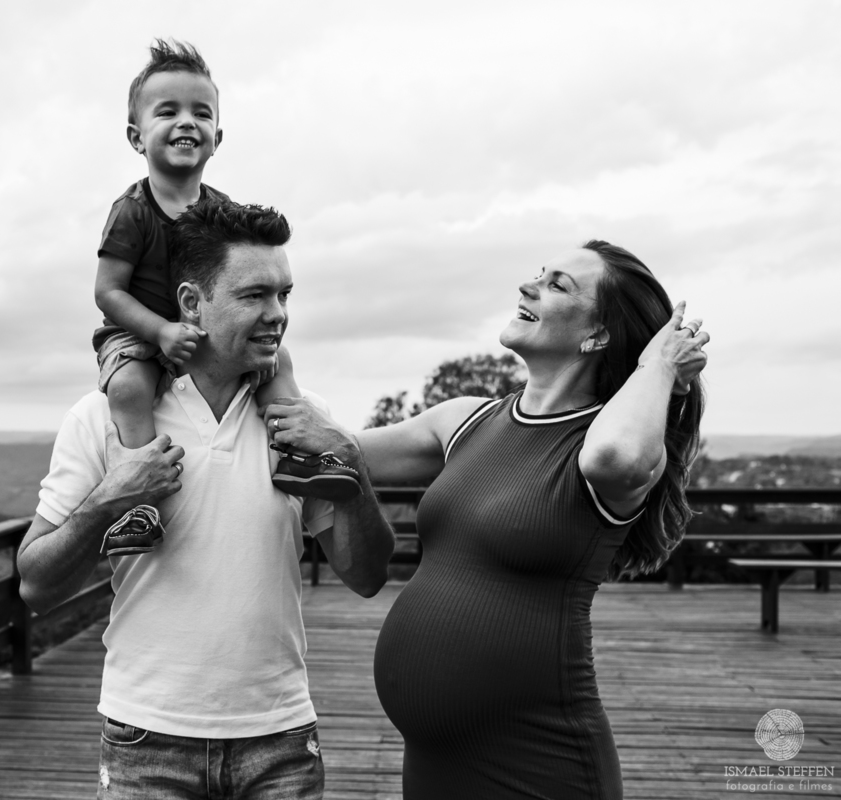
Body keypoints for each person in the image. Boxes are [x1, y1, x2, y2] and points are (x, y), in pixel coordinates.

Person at [264, 240, 708, 799]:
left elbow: (614, 457)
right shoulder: (466, 420)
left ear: (598, 335)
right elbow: (321, 446)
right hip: (433, 764)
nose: (529, 285)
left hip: (538, 763)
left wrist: (658, 365)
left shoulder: (607, 446)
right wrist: (271, 356)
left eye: (557, 284)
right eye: (538, 274)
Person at [18, 198, 396, 800]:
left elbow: (367, 576)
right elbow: (36, 585)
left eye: (284, 295)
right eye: (255, 296)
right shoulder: (101, 417)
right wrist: (107, 501)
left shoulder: (304, 418)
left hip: (281, 738)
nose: (277, 315)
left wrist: (348, 460)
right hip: (145, 739)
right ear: (192, 303)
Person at [92, 40, 357, 556]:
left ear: (217, 138)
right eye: (167, 111)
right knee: (127, 387)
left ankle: (296, 456)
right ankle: (138, 501)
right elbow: (108, 291)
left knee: (277, 363)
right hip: (139, 331)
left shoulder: (221, 212)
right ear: (136, 137)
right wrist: (160, 331)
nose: (186, 121)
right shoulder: (132, 211)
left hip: (204, 331)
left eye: (201, 112)